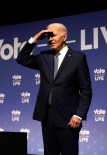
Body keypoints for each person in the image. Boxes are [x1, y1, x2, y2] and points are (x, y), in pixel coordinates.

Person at [16, 23, 92, 155]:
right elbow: (22, 59)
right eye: (48, 36)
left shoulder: (78, 58)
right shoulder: (44, 56)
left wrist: (79, 115)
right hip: (47, 117)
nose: (50, 39)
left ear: (64, 37)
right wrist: (34, 39)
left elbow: (86, 90)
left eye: (53, 35)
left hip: (69, 119)